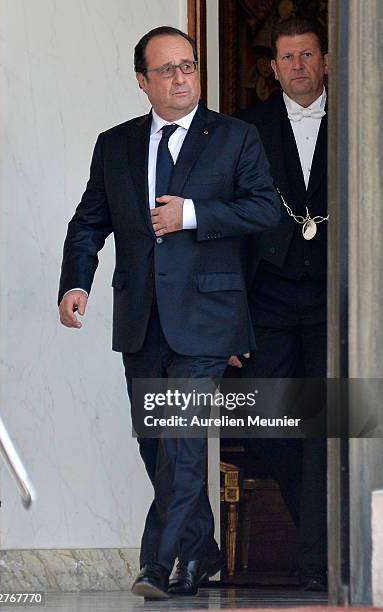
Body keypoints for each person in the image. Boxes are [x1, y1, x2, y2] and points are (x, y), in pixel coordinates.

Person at [58, 26, 280, 599]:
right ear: (142, 81)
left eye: (189, 66)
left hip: (207, 317)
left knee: (180, 436)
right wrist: (75, 283)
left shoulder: (235, 137)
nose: (181, 78)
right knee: (156, 442)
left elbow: (263, 211)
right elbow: (89, 221)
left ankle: (157, 565)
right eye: (167, 70)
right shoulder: (115, 144)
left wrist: (195, 214)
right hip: (141, 317)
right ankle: (202, 554)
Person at [234, 17, 328, 591]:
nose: (296, 66)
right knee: (270, 427)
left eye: (306, 55)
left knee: (328, 426)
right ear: (272, 68)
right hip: (267, 297)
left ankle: (317, 559)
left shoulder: (360, 118)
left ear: (326, 60)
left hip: (334, 303)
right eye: (286, 58)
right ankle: (326, 537)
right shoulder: (247, 129)